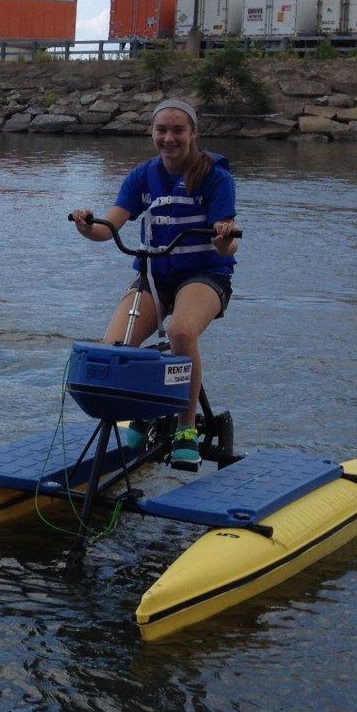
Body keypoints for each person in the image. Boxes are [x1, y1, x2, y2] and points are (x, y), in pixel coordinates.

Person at [70, 98, 240, 468]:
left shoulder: (216, 177)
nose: (169, 138)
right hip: (154, 276)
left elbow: (227, 244)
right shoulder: (142, 176)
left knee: (180, 332)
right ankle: (143, 410)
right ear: (152, 133)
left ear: (193, 133)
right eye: (161, 130)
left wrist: (225, 236)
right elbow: (108, 226)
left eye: (178, 130)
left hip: (205, 275)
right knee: (116, 346)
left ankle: (185, 427)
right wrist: (87, 226)